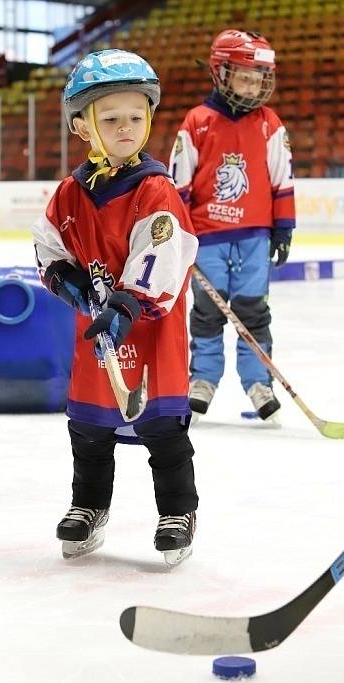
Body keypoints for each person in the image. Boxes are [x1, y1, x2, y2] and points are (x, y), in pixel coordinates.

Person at [32, 49, 199, 566]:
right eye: (110, 119)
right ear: (82, 126)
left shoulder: (155, 190)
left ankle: (177, 511)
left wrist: (126, 307)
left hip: (149, 331)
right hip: (96, 331)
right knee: (89, 428)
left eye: (135, 116)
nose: (125, 128)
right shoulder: (70, 192)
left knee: (162, 429)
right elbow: (48, 246)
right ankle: (87, 507)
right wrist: (69, 284)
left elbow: (161, 256)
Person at [168, 29, 295, 423]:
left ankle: (259, 384)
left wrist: (284, 227)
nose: (254, 85)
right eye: (245, 75)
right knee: (207, 313)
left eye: (259, 77)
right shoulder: (197, 122)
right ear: (221, 73)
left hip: (255, 237)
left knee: (253, 312)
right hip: (208, 238)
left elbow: (282, 178)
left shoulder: (269, 124)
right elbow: (179, 185)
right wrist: (182, 235)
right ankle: (202, 380)